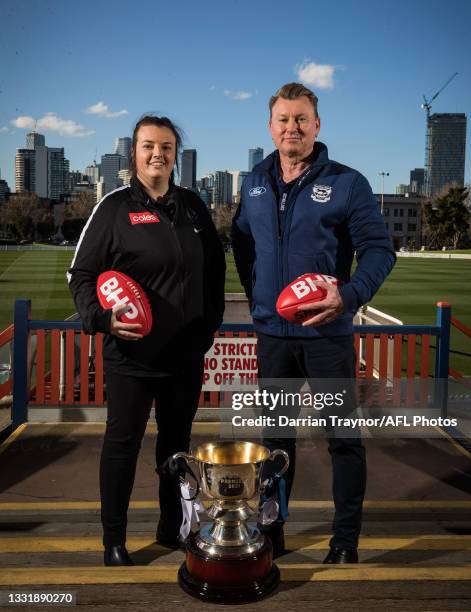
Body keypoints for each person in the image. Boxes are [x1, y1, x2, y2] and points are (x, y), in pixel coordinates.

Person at [232, 83, 395, 563]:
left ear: (317, 125)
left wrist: (347, 296)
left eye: (301, 119)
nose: (292, 128)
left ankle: (344, 542)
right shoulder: (254, 182)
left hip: (326, 335)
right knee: (275, 441)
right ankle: (273, 534)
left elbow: (380, 250)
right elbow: (242, 242)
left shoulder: (347, 182)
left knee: (342, 438)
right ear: (270, 127)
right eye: (283, 119)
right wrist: (262, 295)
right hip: (273, 337)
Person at [68, 115, 225, 566]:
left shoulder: (194, 208)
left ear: (176, 154)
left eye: (167, 147)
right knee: (123, 446)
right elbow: (80, 275)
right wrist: (101, 319)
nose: (158, 154)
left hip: (184, 358)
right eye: (148, 146)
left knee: (176, 449)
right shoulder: (114, 208)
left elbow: (214, 273)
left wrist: (207, 326)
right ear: (134, 153)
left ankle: (170, 526)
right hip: (130, 356)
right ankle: (113, 540)